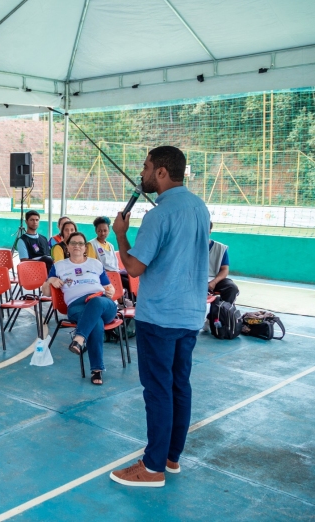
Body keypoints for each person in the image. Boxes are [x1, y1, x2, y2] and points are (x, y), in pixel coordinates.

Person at [110, 146, 209, 488]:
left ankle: (152, 468)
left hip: (161, 315)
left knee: (157, 390)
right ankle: (170, 457)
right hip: (191, 314)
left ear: (162, 173)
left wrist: (121, 234)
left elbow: (135, 267)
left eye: (147, 167)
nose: (143, 173)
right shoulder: (199, 207)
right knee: (179, 385)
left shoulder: (158, 215)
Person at [44, 232, 118, 385]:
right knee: (95, 323)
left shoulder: (95, 264)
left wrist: (111, 291)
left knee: (96, 303)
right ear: (67, 247)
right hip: (77, 307)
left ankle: (79, 338)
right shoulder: (59, 266)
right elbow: (45, 292)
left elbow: (109, 287)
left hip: (103, 303)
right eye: (73, 243)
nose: (77, 246)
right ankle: (97, 371)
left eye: (80, 243)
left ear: (85, 247)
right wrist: (50, 279)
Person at [208, 223, 239, 304]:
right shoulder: (189, 247)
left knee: (231, 288)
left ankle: (224, 312)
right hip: (193, 280)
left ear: (209, 231)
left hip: (213, 279)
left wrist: (214, 282)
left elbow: (224, 269)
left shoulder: (220, 248)